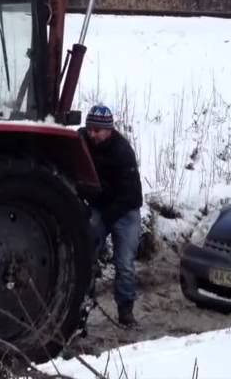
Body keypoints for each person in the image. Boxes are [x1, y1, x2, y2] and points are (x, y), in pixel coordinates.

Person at [79, 104, 143, 327]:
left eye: (98, 130)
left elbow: (131, 195)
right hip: (100, 204)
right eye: (90, 129)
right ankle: (81, 304)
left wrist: (106, 219)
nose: (92, 134)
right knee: (85, 252)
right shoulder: (83, 141)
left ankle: (125, 310)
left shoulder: (122, 152)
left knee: (124, 262)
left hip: (126, 210)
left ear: (109, 130)